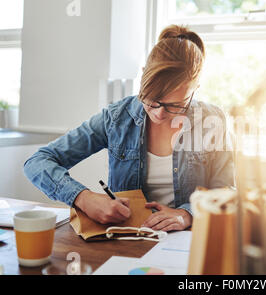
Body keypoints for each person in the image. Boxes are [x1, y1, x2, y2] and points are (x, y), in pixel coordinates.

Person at [23, 25, 235, 232]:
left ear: (195, 90)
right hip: (126, 240)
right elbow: (38, 162)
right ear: (142, 76)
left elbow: (226, 192)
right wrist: (83, 198)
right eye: (152, 99)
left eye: (176, 105)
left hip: (188, 242)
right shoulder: (116, 118)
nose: (159, 114)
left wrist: (187, 214)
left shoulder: (212, 121)